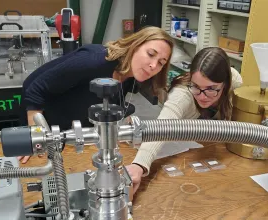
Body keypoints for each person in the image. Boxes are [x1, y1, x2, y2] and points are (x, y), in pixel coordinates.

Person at [19, 26, 174, 163]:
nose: (153, 65)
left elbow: (115, 102)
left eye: (161, 62)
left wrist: (126, 129)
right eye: (151, 54)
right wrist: (34, 136)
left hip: (73, 129)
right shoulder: (94, 61)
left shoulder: (130, 75)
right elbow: (35, 89)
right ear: (135, 46)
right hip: (44, 120)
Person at [125, 47, 243, 194]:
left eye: (211, 89)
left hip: (215, 148)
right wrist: (139, 165)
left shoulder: (235, 81)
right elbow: (162, 127)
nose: (202, 96)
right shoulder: (182, 94)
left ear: (225, 84)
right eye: (196, 87)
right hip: (186, 148)